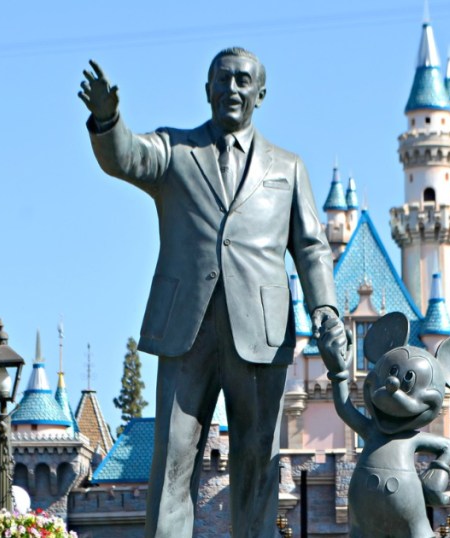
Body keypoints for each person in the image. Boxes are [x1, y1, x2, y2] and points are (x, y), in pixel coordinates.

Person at [79, 48, 347, 538]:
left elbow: (311, 248)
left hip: (261, 333)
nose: (232, 88)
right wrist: (108, 118)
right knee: (173, 463)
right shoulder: (176, 152)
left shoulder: (287, 168)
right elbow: (126, 157)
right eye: (222, 79)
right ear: (207, 90)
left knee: (256, 462)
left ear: (261, 94)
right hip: (187, 328)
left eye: (244, 80)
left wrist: (325, 309)